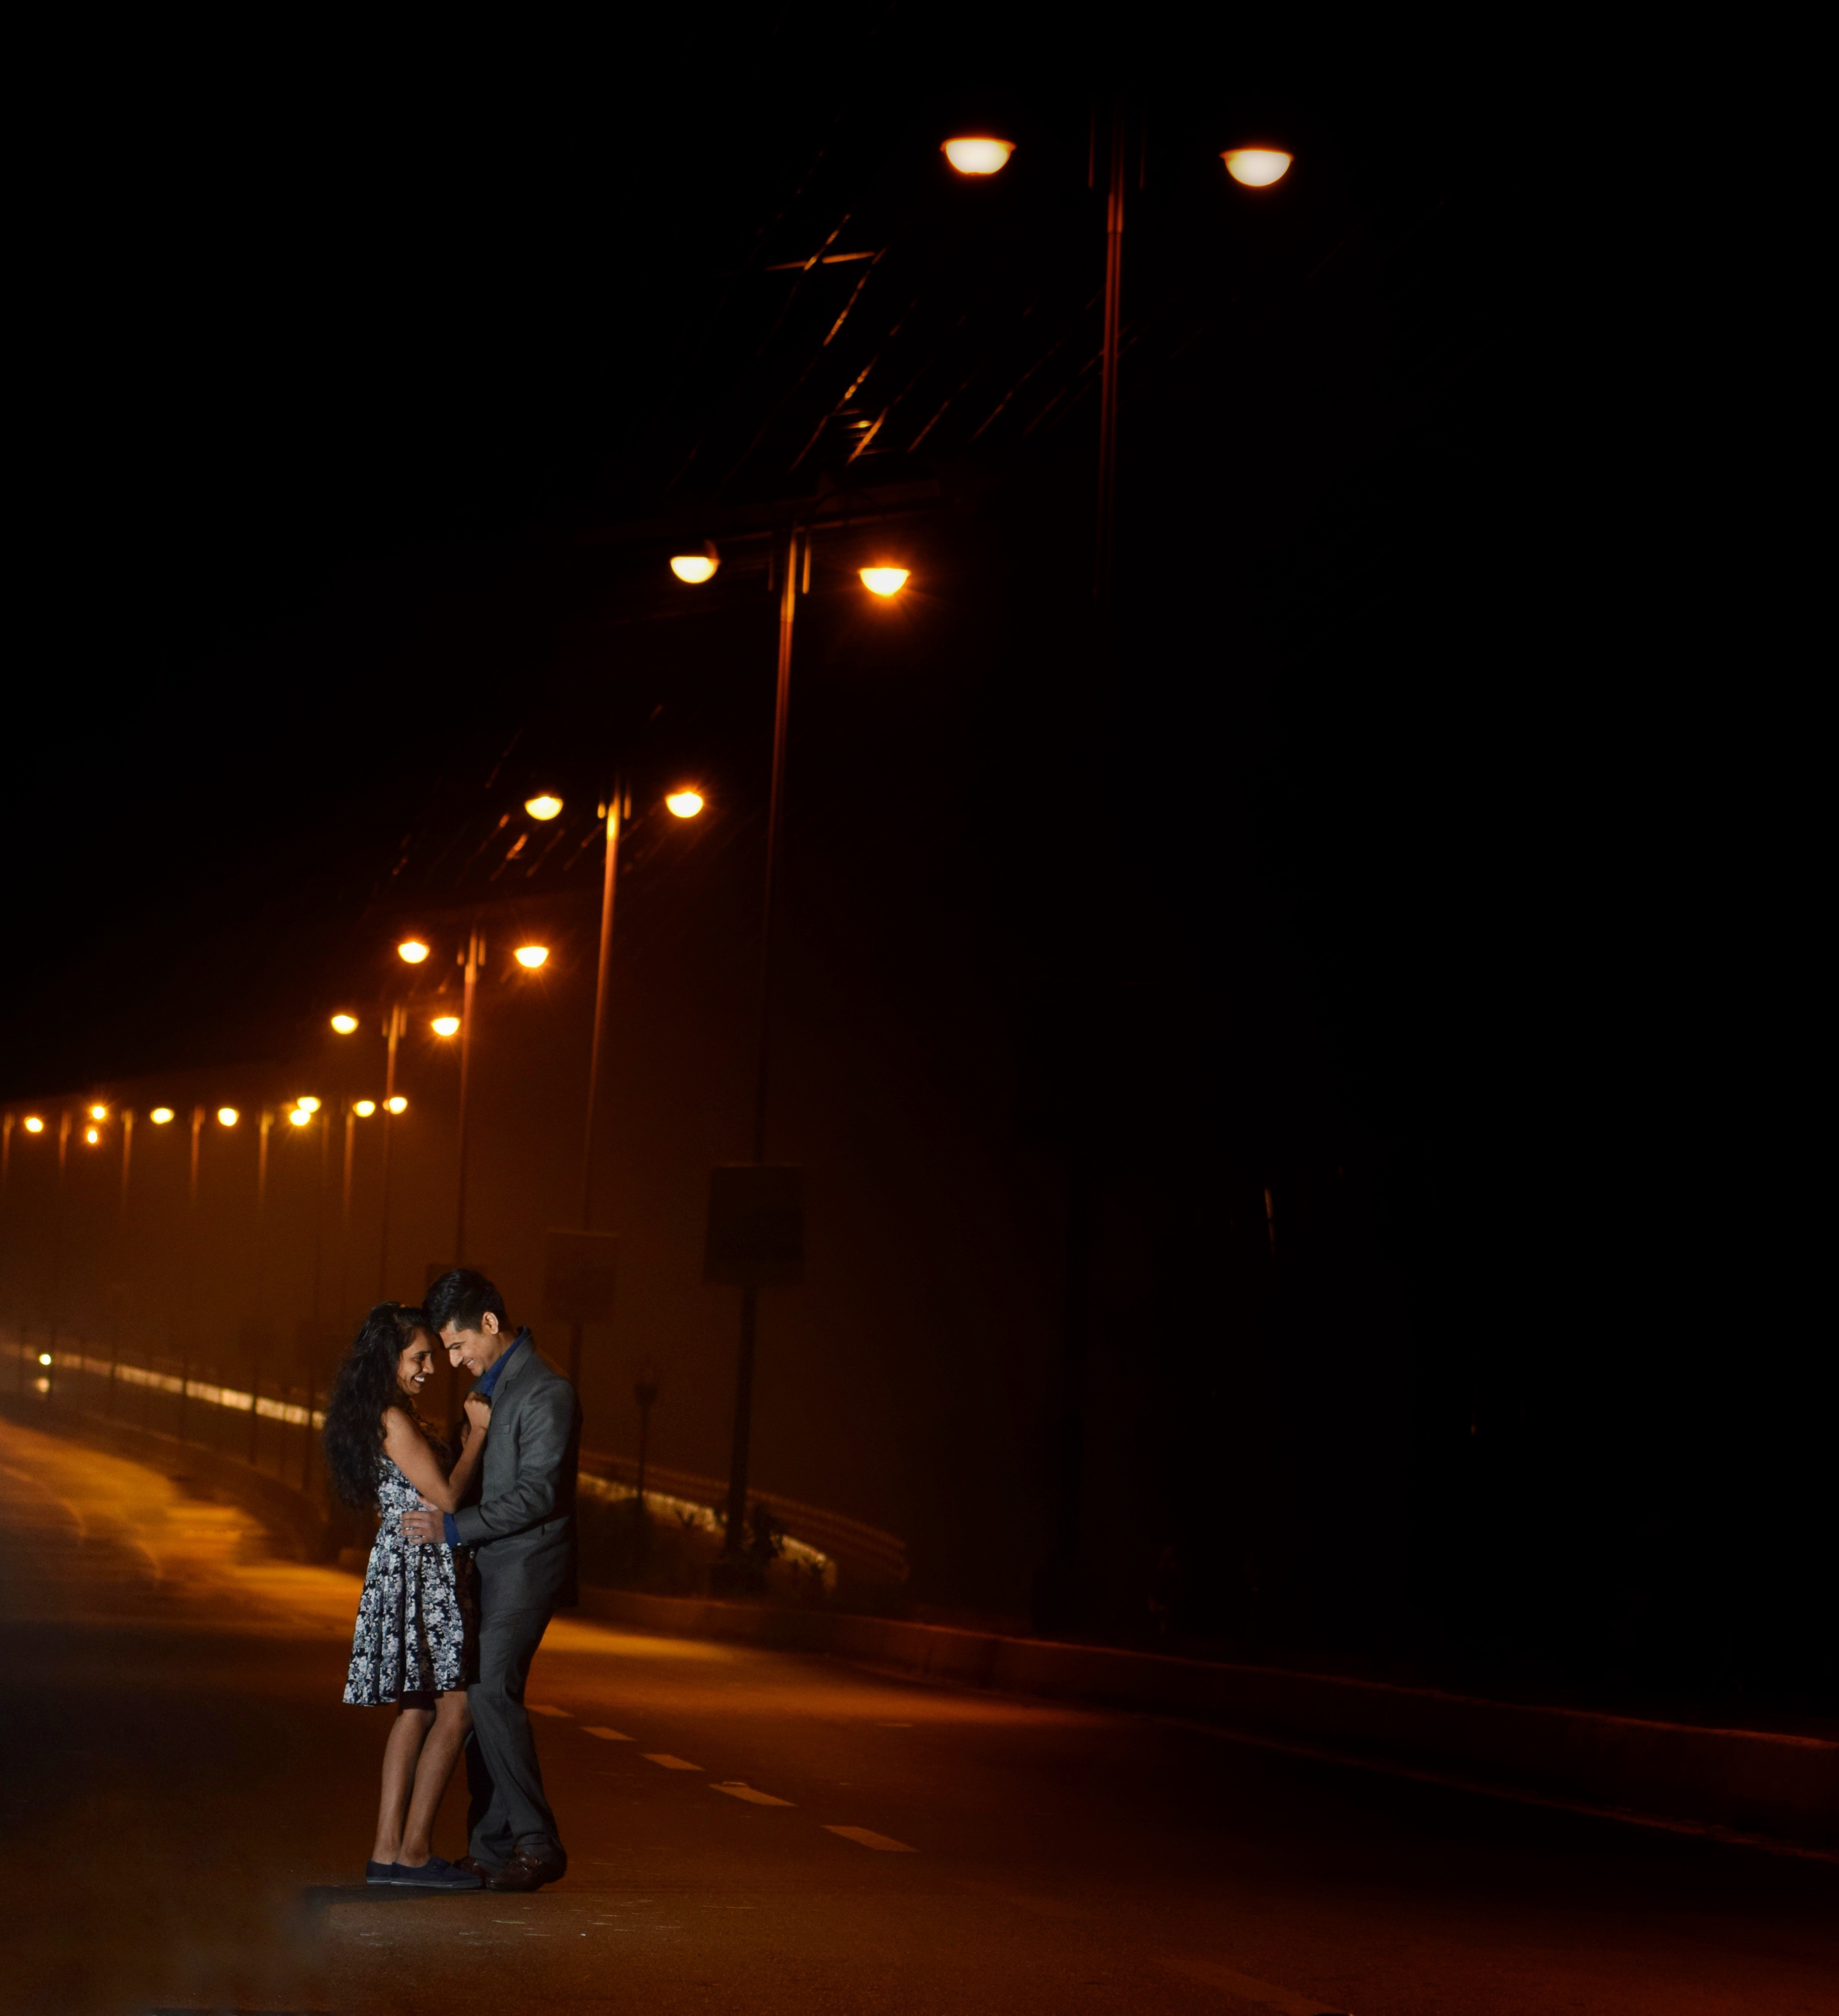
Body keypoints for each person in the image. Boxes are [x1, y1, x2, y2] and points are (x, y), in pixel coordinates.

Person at [401, 1268, 580, 1893]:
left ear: (490, 1323)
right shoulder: (491, 1388)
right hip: (490, 1566)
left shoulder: (547, 1390)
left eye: (458, 1345)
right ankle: (491, 1847)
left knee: (489, 1692)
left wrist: (452, 1529)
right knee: (484, 1700)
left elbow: (538, 1494)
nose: (453, 1361)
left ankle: (538, 1843)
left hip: (528, 1565)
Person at [323, 1301, 491, 1891]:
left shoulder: (386, 1412)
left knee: (417, 1708)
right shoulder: (393, 1416)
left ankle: (387, 1852)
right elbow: (447, 1497)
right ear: (389, 1359)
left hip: (407, 1563)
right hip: (423, 1567)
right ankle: (412, 1851)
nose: (431, 1368)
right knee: (456, 1708)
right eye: (420, 1357)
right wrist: (478, 1435)